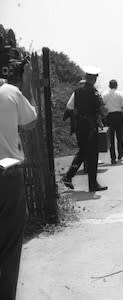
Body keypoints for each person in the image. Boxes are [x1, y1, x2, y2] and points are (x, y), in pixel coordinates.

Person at [0, 63, 37, 299]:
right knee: (10, 245)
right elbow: (31, 122)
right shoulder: (10, 93)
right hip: (6, 176)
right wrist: (28, 83)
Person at [61, 66, 107, 192]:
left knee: (83, 151)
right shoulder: (93, 91)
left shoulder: (77, 90)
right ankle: (92, 184)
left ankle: (68, 176)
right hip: (90, 126)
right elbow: (101, 108)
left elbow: (69, 107)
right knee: (92, 155)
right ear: (93, 79)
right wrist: (102, 119)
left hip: (79, 125)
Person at [102, 79, 123, 164]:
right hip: (119, 116)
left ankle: (113, 158)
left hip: (109, 117)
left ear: (109, 86)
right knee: (120, 137)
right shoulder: (120, 94)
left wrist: (104, 116)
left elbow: (101, 106)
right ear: (116, 85)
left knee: (110, 138)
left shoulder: (105, 95)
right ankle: (120, 154)